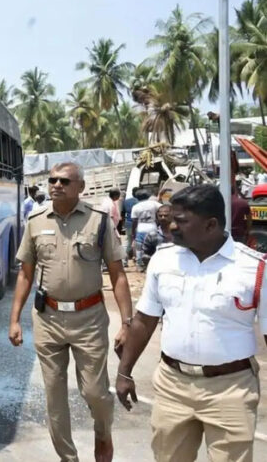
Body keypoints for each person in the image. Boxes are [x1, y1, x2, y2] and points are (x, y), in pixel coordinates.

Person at [116, 185, 266, 461]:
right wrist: (124, 372)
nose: (171, 226)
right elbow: (145, 320)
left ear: (211, 225)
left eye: (181, 220)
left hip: (231, 390)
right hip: (173, 386)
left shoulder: (254, 268)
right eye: (171, 218)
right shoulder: (163, 260)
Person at [9, 162, 133, 462]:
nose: (56, 185)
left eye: (65, 181)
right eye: (52, 180)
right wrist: (14, 319)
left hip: (88, 319)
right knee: (54, 397)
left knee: (95, 393)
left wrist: (127, 323)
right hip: (48, 319)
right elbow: (25, 274)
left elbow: (118, 275)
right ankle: (68, 458)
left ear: (81, 187)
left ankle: (103, 433)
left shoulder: (99, 221)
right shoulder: (36, 221)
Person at [131, 190, 162, 272]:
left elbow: (134, 221)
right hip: (153, 227)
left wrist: (133, 234)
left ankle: (140, 265)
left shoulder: (135, 207)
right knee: (155, 247)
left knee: (139, 248)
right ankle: (154, 264)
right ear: (148, 196)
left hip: (141, 229)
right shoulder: (153, 204)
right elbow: (164, 208)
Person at [122, 187, 139, 266]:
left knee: (128, 242)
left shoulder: (126, 202)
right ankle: (139, 261)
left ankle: (124, 261)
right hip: (138, 224)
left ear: (132, 193)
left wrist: (122, 223)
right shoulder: (139, 202)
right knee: (139, 242)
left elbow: (122, 213)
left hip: (128, 223)